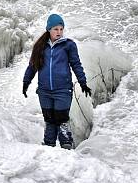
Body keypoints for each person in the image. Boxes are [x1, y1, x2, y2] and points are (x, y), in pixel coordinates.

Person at [22, 13, 91, 149]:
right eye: (55, 29)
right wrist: (26, 82)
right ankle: (49, 147)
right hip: (44, 91)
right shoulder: (41, 47)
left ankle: (66, 147)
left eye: (61, 29)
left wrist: (83, 83)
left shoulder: (68, 45)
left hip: (63, 90)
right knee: (49, 120)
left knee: (62, 120)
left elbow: (76, 64)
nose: (59, 32)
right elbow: (32, 66)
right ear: (49, 29)